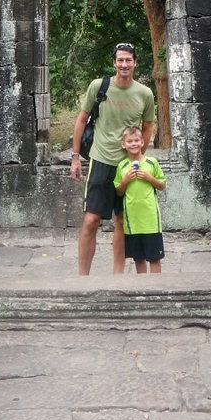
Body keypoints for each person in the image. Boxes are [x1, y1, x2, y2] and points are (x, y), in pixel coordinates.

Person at [70, 42, 155, 275]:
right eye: (120, 60)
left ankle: (117, 277)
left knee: (122, 221)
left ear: (135, 63)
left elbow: (148, 126)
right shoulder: (99, 86)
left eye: (128, 60)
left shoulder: (145, 94)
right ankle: (82, 279)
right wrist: (75, 157)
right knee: (91, 221)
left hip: (126, 165)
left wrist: (139, 156)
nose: (124, 64)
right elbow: (82, 119)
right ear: (114, 62)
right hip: (101, 160)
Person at [114, 125, 166, 274]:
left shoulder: (152, 162)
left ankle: (155, 286)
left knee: (154, 258)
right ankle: (142, 285)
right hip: (133, 222)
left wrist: (150, 178)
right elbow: (119, 192)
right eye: (130, 141)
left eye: (136, 140)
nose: (134, 144)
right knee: (138, 258)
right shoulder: (122, 166)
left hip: (151, 221)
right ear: (123, 144)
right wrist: (125, 181)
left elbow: (162, 185)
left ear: (142, 142)